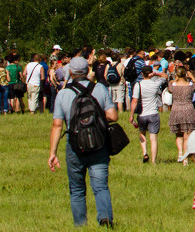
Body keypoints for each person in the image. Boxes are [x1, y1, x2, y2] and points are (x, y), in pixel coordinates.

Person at [48, 56, 117, 228]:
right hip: (98, 144)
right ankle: (105, 218)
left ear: (70, 72)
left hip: (75, 146)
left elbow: (57, 125)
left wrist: (53, 153)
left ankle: (80, 225)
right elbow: (113, 116)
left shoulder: (63, 94)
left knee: (77, 189)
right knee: (100, 186)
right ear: (88, 71)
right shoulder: (99, 89)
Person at [132, 64, 166, 165]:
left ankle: (145, 152)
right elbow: (165, 76)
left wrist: (131, 115)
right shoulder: (155, 83)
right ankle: (154, 161)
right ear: (150, 73)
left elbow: (134, 101)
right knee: (153, 138)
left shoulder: (138, 85)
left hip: (142, 114)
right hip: (153, 113)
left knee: (142, 134)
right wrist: (156, 74)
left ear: (142, 74)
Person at [169, 66, 195, 163]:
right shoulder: (190, 85)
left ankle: (180, 153)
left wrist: (176, 78)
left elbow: (169, 89)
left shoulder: (173, 85)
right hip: (188, 110)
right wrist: (193, 78)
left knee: (178, 135)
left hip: (176, 110)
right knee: (187, 136)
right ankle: (185, 159)